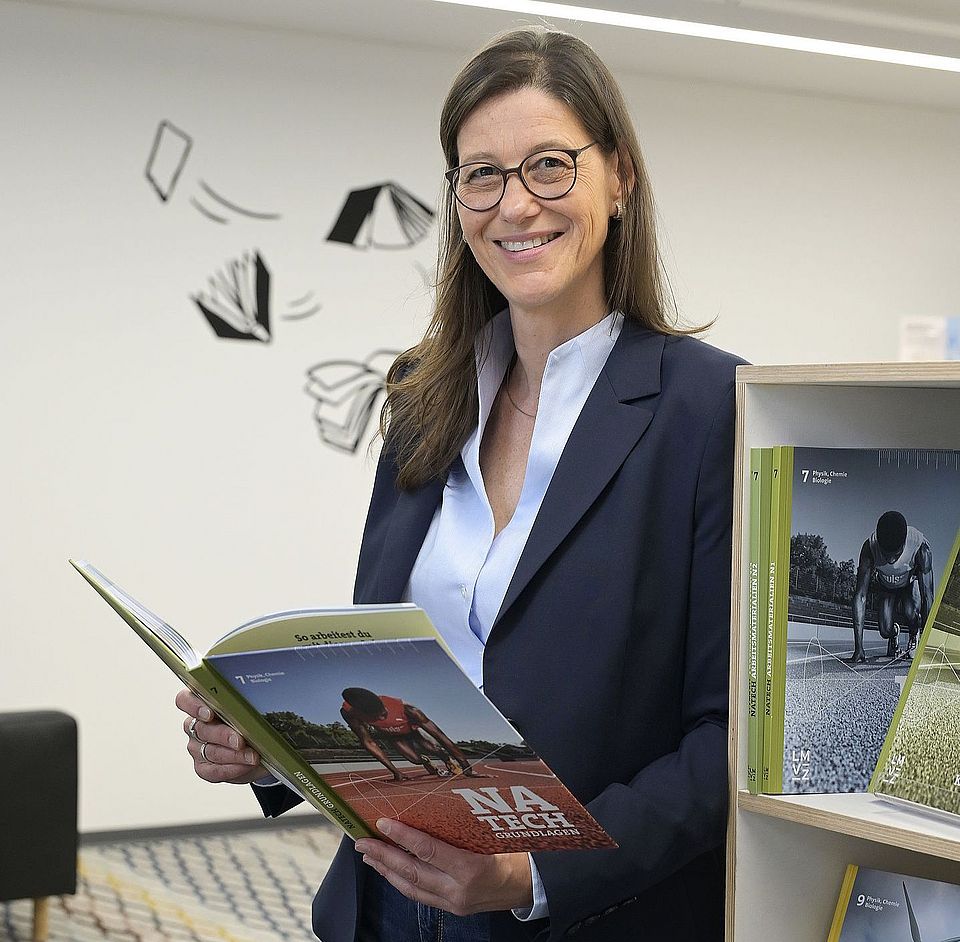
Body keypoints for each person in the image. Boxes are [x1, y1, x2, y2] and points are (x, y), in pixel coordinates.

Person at [176, 27, 744, 941]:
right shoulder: (421, 394)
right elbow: (390, 662)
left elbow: (729, 742)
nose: (515, 205)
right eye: (481, 175)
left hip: (587, 917)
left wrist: (535, 876)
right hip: (385, 909)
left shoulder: (711, 408)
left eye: (550, 166)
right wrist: (272, 746)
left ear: (620, 177)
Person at [848, 510, 934, 664]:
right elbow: (860, 596)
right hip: (887, 587)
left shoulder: (921, 547)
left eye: (896, 554)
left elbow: (928, 596)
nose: (891, 560)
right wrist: (858, 648)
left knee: (910, 612)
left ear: (905, 542)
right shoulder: (869, 547)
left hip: (909, 584)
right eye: (886, 554)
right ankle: (894, 634)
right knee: (884, 631)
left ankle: (914, 634)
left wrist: (929, 647)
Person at [339, 687, 479, 781]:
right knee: (415, 760)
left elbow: (440, 736)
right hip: (393, 736)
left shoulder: (408, 710)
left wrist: (464, 763)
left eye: (384, 714)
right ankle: (426, 761)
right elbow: (368, 742)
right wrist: (395, 772)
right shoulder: (349, 712)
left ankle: (447, 760)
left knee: (433, 748)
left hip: (412, 730)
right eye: (377, 717)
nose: (382, 719)